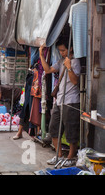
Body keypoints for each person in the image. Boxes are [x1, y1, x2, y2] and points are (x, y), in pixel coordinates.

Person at [39, 39, 81, 168]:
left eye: (64, 50)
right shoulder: (61, 61)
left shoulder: (75, 62)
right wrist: (41, 55)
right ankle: (59, 155)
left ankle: (71, 157)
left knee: (71, 130)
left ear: (71, 49)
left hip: (71, 101)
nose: (62, 53)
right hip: (60, 100)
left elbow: (75, 81)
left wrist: (69, 67)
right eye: (60, 51)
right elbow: (48, 70)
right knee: (54, 128)